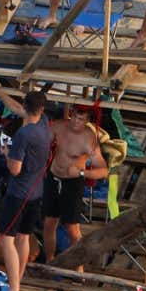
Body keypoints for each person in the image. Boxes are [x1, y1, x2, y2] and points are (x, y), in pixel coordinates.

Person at [0, 85, 51, 291]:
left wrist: (6, 153)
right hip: (37, 191)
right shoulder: (44, 124)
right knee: (24, 237)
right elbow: (17, 108)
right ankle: (18, 281)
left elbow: (14, 169)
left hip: (19, 193)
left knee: (6, 239)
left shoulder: (24, 134)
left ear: (27, 106)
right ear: (41, 108)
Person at [42, 102, 109, 264]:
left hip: (73, 183)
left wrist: (82, 172)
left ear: (87, 121)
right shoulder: (59, 126)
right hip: (53, 177)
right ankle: (49, 261)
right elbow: (42, 143)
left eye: (81, 120)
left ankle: (79, 267)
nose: (75, 122)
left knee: (72, 228)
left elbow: (104, 171)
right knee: (48, 223)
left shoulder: (88, 139)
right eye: (74, 118)